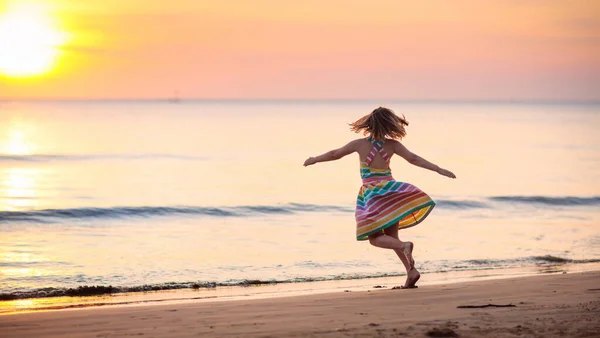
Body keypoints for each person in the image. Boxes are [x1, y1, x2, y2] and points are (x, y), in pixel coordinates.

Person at [303, 107, 456, 289]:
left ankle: (405, 247)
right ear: (390, 125)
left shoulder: (359, 144)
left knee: (375, 238)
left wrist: (315, 159)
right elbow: (413, 159)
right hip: (391, 193)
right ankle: (411, 272)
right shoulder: (393, 145)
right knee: (392, 237)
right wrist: (438, 169)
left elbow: (335, 154)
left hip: (373, 195)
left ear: (369, 123)